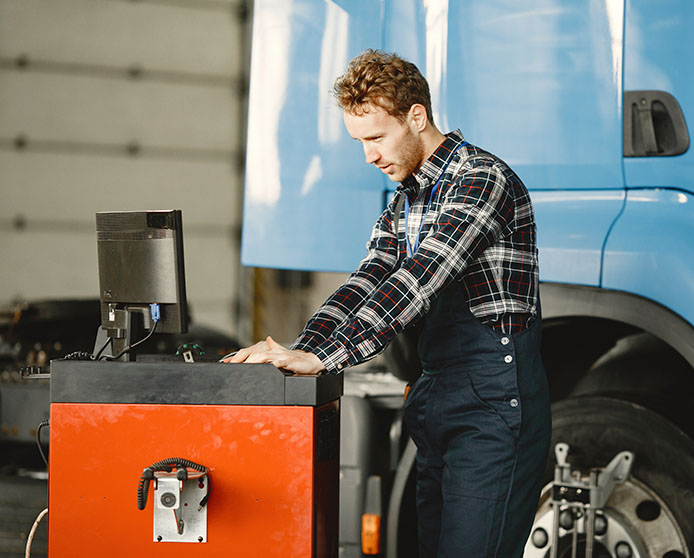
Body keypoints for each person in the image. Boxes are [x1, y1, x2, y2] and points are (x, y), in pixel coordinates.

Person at [226, 49, 551, 558]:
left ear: (416, 117)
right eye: (360, 142)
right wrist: (300, 348)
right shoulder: (406, 201)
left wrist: (329, 358)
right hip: (438, 398)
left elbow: (419, 280)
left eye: (376, 138)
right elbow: (369, 279)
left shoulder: (482, 180)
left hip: (493, 408)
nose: (369, 156)